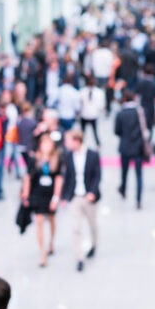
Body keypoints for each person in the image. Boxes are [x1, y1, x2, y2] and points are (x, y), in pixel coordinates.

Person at [21, 133, 63, 267]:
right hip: (37, 194)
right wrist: (25, 194)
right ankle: (42, 253)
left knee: (51, 219)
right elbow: (28, 177)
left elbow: (58, 179)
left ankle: (51, 242)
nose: (46, 146)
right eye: (44, 144)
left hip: (49, 194)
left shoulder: (56, 160)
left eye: (48, 144)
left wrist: (56, 198)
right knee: (39, 221)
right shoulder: (34, 160)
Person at [62, 130, 101, 272]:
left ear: (77, 141)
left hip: (89, 197)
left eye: (68, 141)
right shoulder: (68, 156)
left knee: (92, 225)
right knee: (76, 228)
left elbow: (97, 176)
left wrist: (92, 192)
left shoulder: (92, 155)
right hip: (75, 197)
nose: (66, 144)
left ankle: (94, 244)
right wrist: (64, 196)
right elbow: (68, 177)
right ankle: (79, 257)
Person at [114, 90, 145, 209]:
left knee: (124, 172)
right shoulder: (139, 112)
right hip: (137, 147)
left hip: (125, 147)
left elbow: (117, 131)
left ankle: (123, 189)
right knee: (139, 175)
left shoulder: (121, 113)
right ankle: (138, 199)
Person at [79, 76, 104, 148]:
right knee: (94, 131)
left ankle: (82, 143)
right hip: (92, 114)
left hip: (86, 114)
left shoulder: (83, 91)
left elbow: (79, 104)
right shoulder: (99, 92)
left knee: (84, 131)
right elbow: (101, 106)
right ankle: (97, 144)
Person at [136, 64, 155, 136]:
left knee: (143, 122)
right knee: (150, 123)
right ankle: (150, 137)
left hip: (143, 103)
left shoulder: (141, 82)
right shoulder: (153, 82)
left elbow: (137, 93)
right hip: (151, 105)